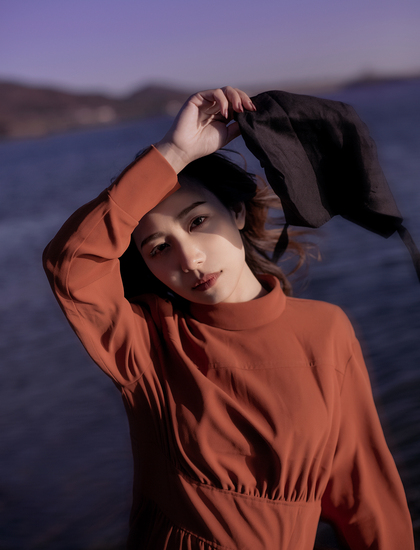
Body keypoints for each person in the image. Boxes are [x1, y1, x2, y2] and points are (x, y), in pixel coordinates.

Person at [43, 86, 414, 549]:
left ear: (237, 212)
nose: (190, 259)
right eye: (159, 248)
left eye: (197, 222)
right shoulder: (148, 344)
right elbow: (71, 266)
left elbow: (361, 488)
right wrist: (175, 152)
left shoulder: (326, 330)